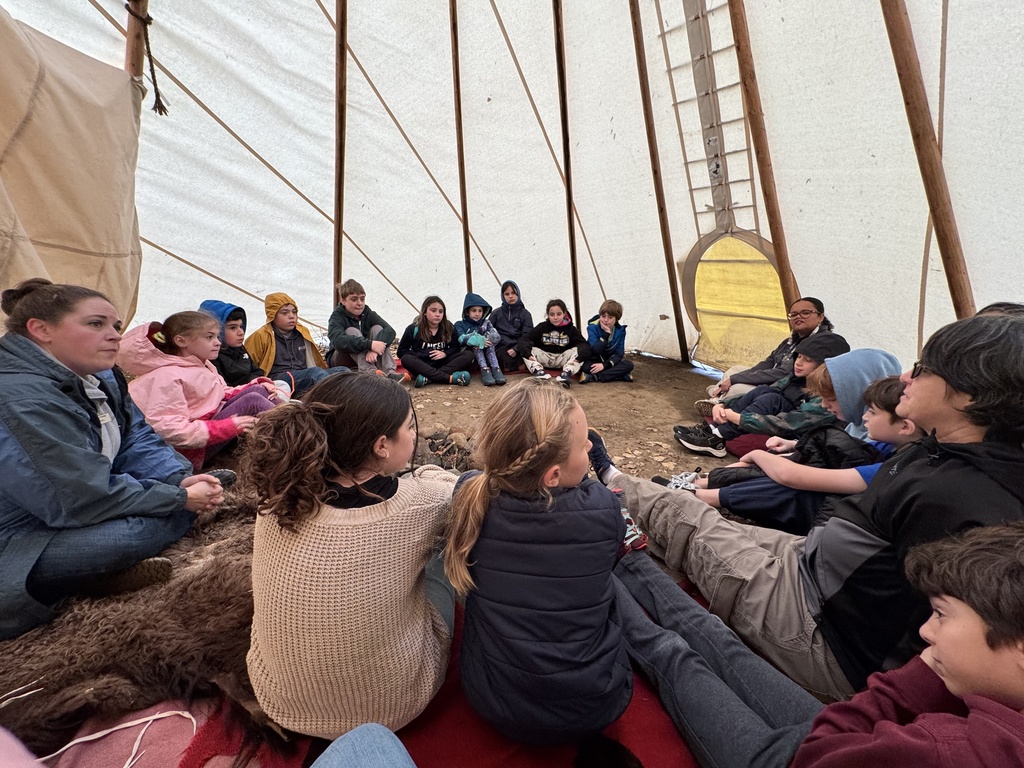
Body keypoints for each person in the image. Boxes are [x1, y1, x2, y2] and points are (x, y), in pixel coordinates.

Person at [589, 315, 1024, 702]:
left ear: (971, 398)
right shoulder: (945, 452)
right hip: (809, 559)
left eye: (927, 367)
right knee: (713, 517)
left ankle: (607, 487)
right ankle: (618, 500)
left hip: (818, 627)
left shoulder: (969, 500)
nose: (907, 374)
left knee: (691, 518)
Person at [612, 521, 1024, 768]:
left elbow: (817, 754)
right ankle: (627, 558)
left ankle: (593, 571)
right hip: (856, 737)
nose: (926, 632)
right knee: (721, 641)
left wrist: (923, 675)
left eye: (941, 615)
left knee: (674, 656)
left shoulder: (947, 752)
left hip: (807, 756)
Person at [0, 279, 224, 640]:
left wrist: (177, 478)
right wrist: (179, 498)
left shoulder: (100, 375)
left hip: (74, 505)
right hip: (20, 533)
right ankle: (89, 575)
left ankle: (99, 568)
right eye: (95, 324)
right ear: (41, 330)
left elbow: (135, 436)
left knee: (181, 499)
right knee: (127, 539)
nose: (115, 335)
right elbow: (74, 497)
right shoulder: (18, 396)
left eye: (116, 326)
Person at [244, 373, 456, 739]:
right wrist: (429, 473)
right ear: (381, 446)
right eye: (409, 427)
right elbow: (463, 491)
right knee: (441, 559)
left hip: (281, 699)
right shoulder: (422, 505)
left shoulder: (278, 499)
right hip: (391, 707)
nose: (415, 433)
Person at [444, 378, 637, 745]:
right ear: (552, 476)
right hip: (595, 703)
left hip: (494, 702)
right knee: (608, 588)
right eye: (585, 446)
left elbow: (475, 481)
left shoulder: (470, 496)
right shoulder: (603, 505)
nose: (591, 446)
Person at [663, 374, 920, 535]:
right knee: (773, 413)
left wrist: (759, 453)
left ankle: (703, 493)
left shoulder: (896, 466)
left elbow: (793, 476)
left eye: (872, 412)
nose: (864, 417)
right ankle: (704, 483)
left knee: (792, 483)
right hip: (825, 498)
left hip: (831, 525)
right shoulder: (888, 445)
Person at [117, 311, 279, 471]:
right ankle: (298, 435)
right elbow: (167, 428)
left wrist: (254, 384)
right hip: (182, 453)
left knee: (258, 390)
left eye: (217, 336)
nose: (218, 343)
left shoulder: (203, 365)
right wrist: (228, 426)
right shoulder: (167, 377)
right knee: (252, 400)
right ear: (181, 341)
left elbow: (219, 392)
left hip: (203, 435)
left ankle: (297, 425)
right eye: (209, 337)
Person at [675, 333, 850, 456]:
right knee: (764, 391)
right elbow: (772, 385)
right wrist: (723, 406)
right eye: (798, 357)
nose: (799, 363)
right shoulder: (796, 377)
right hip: (781, 419)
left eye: (808, 359)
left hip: (799, 437)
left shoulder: (828, 397)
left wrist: (739, 418)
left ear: (825, 366)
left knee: (770, 398)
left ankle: (718, 437)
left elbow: (788, 424)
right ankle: (711, 430)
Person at [698, 296, 835, 407]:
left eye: (805, 313)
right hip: (774, 381)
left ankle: (718, 400)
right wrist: (736, 377)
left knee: (737, 387)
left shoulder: (822, 342)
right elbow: (768, 363)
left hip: (790, 390)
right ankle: (717, 396)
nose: (798, 317)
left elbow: (783, 373)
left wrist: (735, 380)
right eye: (793, 314)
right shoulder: (792, 340)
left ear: (821, 317)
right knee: (735, 369)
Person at [245, 292, 349, 397]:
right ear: (272, 315)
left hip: (304, 375)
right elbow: (249, 368)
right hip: (279, 379)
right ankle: (334, 402)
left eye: (294, 312)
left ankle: (351, 401)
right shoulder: (260, 336)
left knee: (343, 371)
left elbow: (313, 361)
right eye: (285, 313)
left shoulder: (302, 332)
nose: (291, 316)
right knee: (315, 374)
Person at [326, 279, 405, 381]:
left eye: (362, 299)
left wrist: (374, 349)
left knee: (378, 329)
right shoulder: (337, 316)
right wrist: (370, 344)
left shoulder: (367, 313)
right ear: (343, 301)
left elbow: (390, 331)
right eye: (354, 299)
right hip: (341, 358)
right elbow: (338, 341)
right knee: (351, 331)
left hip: (366, 356)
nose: (359, 303)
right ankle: (370, 372)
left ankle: (389, 372)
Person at [397, 295, 474, 387]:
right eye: (433, 311)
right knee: (406, 359)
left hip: (443, 363)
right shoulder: (413, 328)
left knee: (468, 354)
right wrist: (422, 355)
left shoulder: (448, 327)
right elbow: (401, 352)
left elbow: (455, 347)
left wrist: (444, 353)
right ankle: (449, 378)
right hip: (422, 365)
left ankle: (428, 378)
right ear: (425, 312)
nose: (437, 314)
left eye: (441, 311)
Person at [521, 299, 589, 388]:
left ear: (564, 313)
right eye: (552, 314)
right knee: (527, 349)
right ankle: (538, 371)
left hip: (563, 359)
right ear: (547, 315)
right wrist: (528, 354)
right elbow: (524, 339)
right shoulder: (542, 327)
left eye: (559, 314)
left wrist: (579, 357)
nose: (555, 317)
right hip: (545, 358)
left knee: (579, 350)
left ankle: (566, 373)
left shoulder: (572, 329)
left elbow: (584, 345)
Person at [197, 300, 266, 387]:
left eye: (241, 326)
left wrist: (257, 382)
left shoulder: (240, 348)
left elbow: (257, 371)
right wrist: (252, 386)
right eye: (233, 328)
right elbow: (223, 388)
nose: (241, 332)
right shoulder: (210, 356)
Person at [453, 292, 507, 386]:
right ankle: (484, 369)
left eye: (480, 311)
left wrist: (489, 339)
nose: (477, 314)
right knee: (477, 345)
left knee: (489, 342)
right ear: (467, 311)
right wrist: (478, 340)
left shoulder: (486, 323)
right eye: (474, 311)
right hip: (469, 355)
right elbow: (461, 338)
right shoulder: (460, 324)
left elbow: (495, 334)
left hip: (487, 351)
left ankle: (495, 368)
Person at [580, 299, 634, 384]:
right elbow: (596, 350)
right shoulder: (592, 327)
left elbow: (619, 354)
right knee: (583, 366)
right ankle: (619, 375)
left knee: (629, 365)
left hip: (608, 362)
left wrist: (604, 365)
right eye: (603, 316)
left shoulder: (620, 331)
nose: (605, 320)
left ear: (616, 319)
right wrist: (606, 334)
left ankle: (594, 377)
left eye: (610, 317)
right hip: (594, 359)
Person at [488, 279, 534, 373]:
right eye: (507, 294)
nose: (510, 296)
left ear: (518, 294)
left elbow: (528, 335)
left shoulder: (525, 314)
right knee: (502, 357)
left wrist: (516, 348)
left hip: (520, 346)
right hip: (502, 346)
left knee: (527, 353)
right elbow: (489, 332)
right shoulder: (496, 314)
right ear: (502, 296)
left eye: (513, 293)